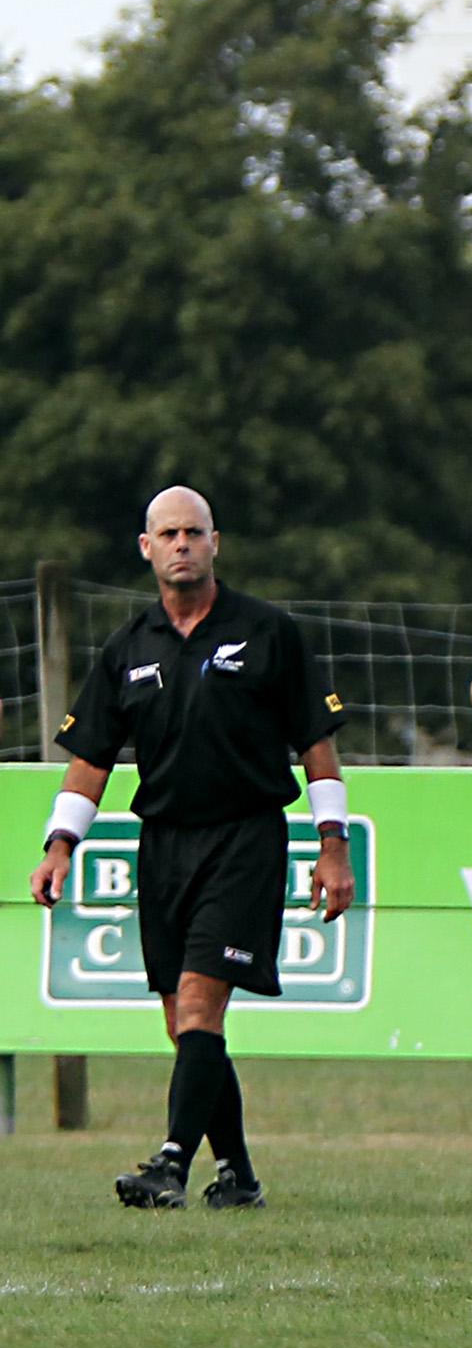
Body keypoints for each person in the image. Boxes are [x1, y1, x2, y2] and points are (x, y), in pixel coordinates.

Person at [27, 486, 353, 1210]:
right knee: (184, 1024)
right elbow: (91, 760)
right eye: (167, 534)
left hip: (245, 839)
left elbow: (319, 748)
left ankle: (170, 1163)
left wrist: (333, 847)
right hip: (164, 844)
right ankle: (236, 1174)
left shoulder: (269, 631)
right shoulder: (129, 645)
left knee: (203, 1008)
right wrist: (59, 846)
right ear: (146, 548)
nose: (182, 544)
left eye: (194, 532)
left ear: (215, 542)